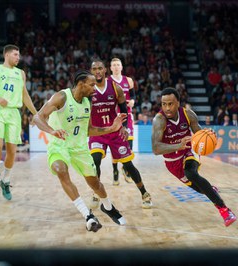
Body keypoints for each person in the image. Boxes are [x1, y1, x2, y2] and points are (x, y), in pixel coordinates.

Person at [33, 70, 126, 232]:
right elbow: (37, 117)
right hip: (59, 145)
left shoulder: (86, 103)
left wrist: (112, 128)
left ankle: (108, 206)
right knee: (60, 170)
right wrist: (51, 130)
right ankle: (87, 215)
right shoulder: (61, 97)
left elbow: (89, 130)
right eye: (91, 85)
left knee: (95, 183)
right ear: (81, 84)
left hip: (80, 148)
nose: (94, 89)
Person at [151, 87, 236, 227]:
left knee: (190, 173)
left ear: (178, 102)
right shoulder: (159, 120)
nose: (167, 108)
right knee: (201, 190)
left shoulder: (188, 114)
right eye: (164, 104)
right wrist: (177, 146)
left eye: (170, 103)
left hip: (189, 152)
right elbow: (155, 148)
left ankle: (225, 210)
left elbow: (199, 134)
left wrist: (208, 137)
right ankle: (209, 189)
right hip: (172, 162)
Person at [89, 59, 152, 209]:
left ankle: (144, 193)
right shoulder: (88, 90)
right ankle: (96, 192)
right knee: (95, 160)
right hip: (98, 132)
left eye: (100, 68)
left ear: (105, 70)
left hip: (115, 131)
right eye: (94, 69)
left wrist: (123, 126)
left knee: (128, 164)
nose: (97, 71)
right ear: (92, 72)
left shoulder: (115, 88)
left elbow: (124, 110)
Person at [0, 44, 37, 200]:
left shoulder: (21, 74)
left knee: (12, 151)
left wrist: (36, 114)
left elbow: (25, 95)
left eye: (19, 55)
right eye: (15, 54)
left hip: (13, 113)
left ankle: (5, 181)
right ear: (6, 55)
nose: (18, 57)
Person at [109, 58, 134, 186]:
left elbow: (133, 95)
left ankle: (126, 169)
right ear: (111, 68)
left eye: (118, 64)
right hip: (113, 117)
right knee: (114, 145)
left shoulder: (128, 80)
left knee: (129, 143)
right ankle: (115, 171)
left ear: (122, 67)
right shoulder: (107, 81)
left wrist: (133, 101)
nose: (116, 67)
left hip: (127, 115)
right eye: (114, 65)